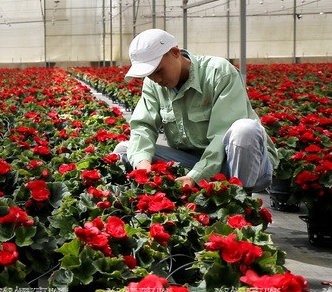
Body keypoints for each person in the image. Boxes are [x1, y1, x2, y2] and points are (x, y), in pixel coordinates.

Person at [114, 28, 278, 192]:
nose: (156, 80)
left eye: (158, 71)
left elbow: (222, 134)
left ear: (175, 52)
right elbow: (143, 126)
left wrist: (196, 176)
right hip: (196, 161)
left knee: (245, 130)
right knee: (127, 150)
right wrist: (142, 164)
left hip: (238, 163)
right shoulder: (154, 85)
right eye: (149, 75)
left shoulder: (219, 73)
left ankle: (239, 197)